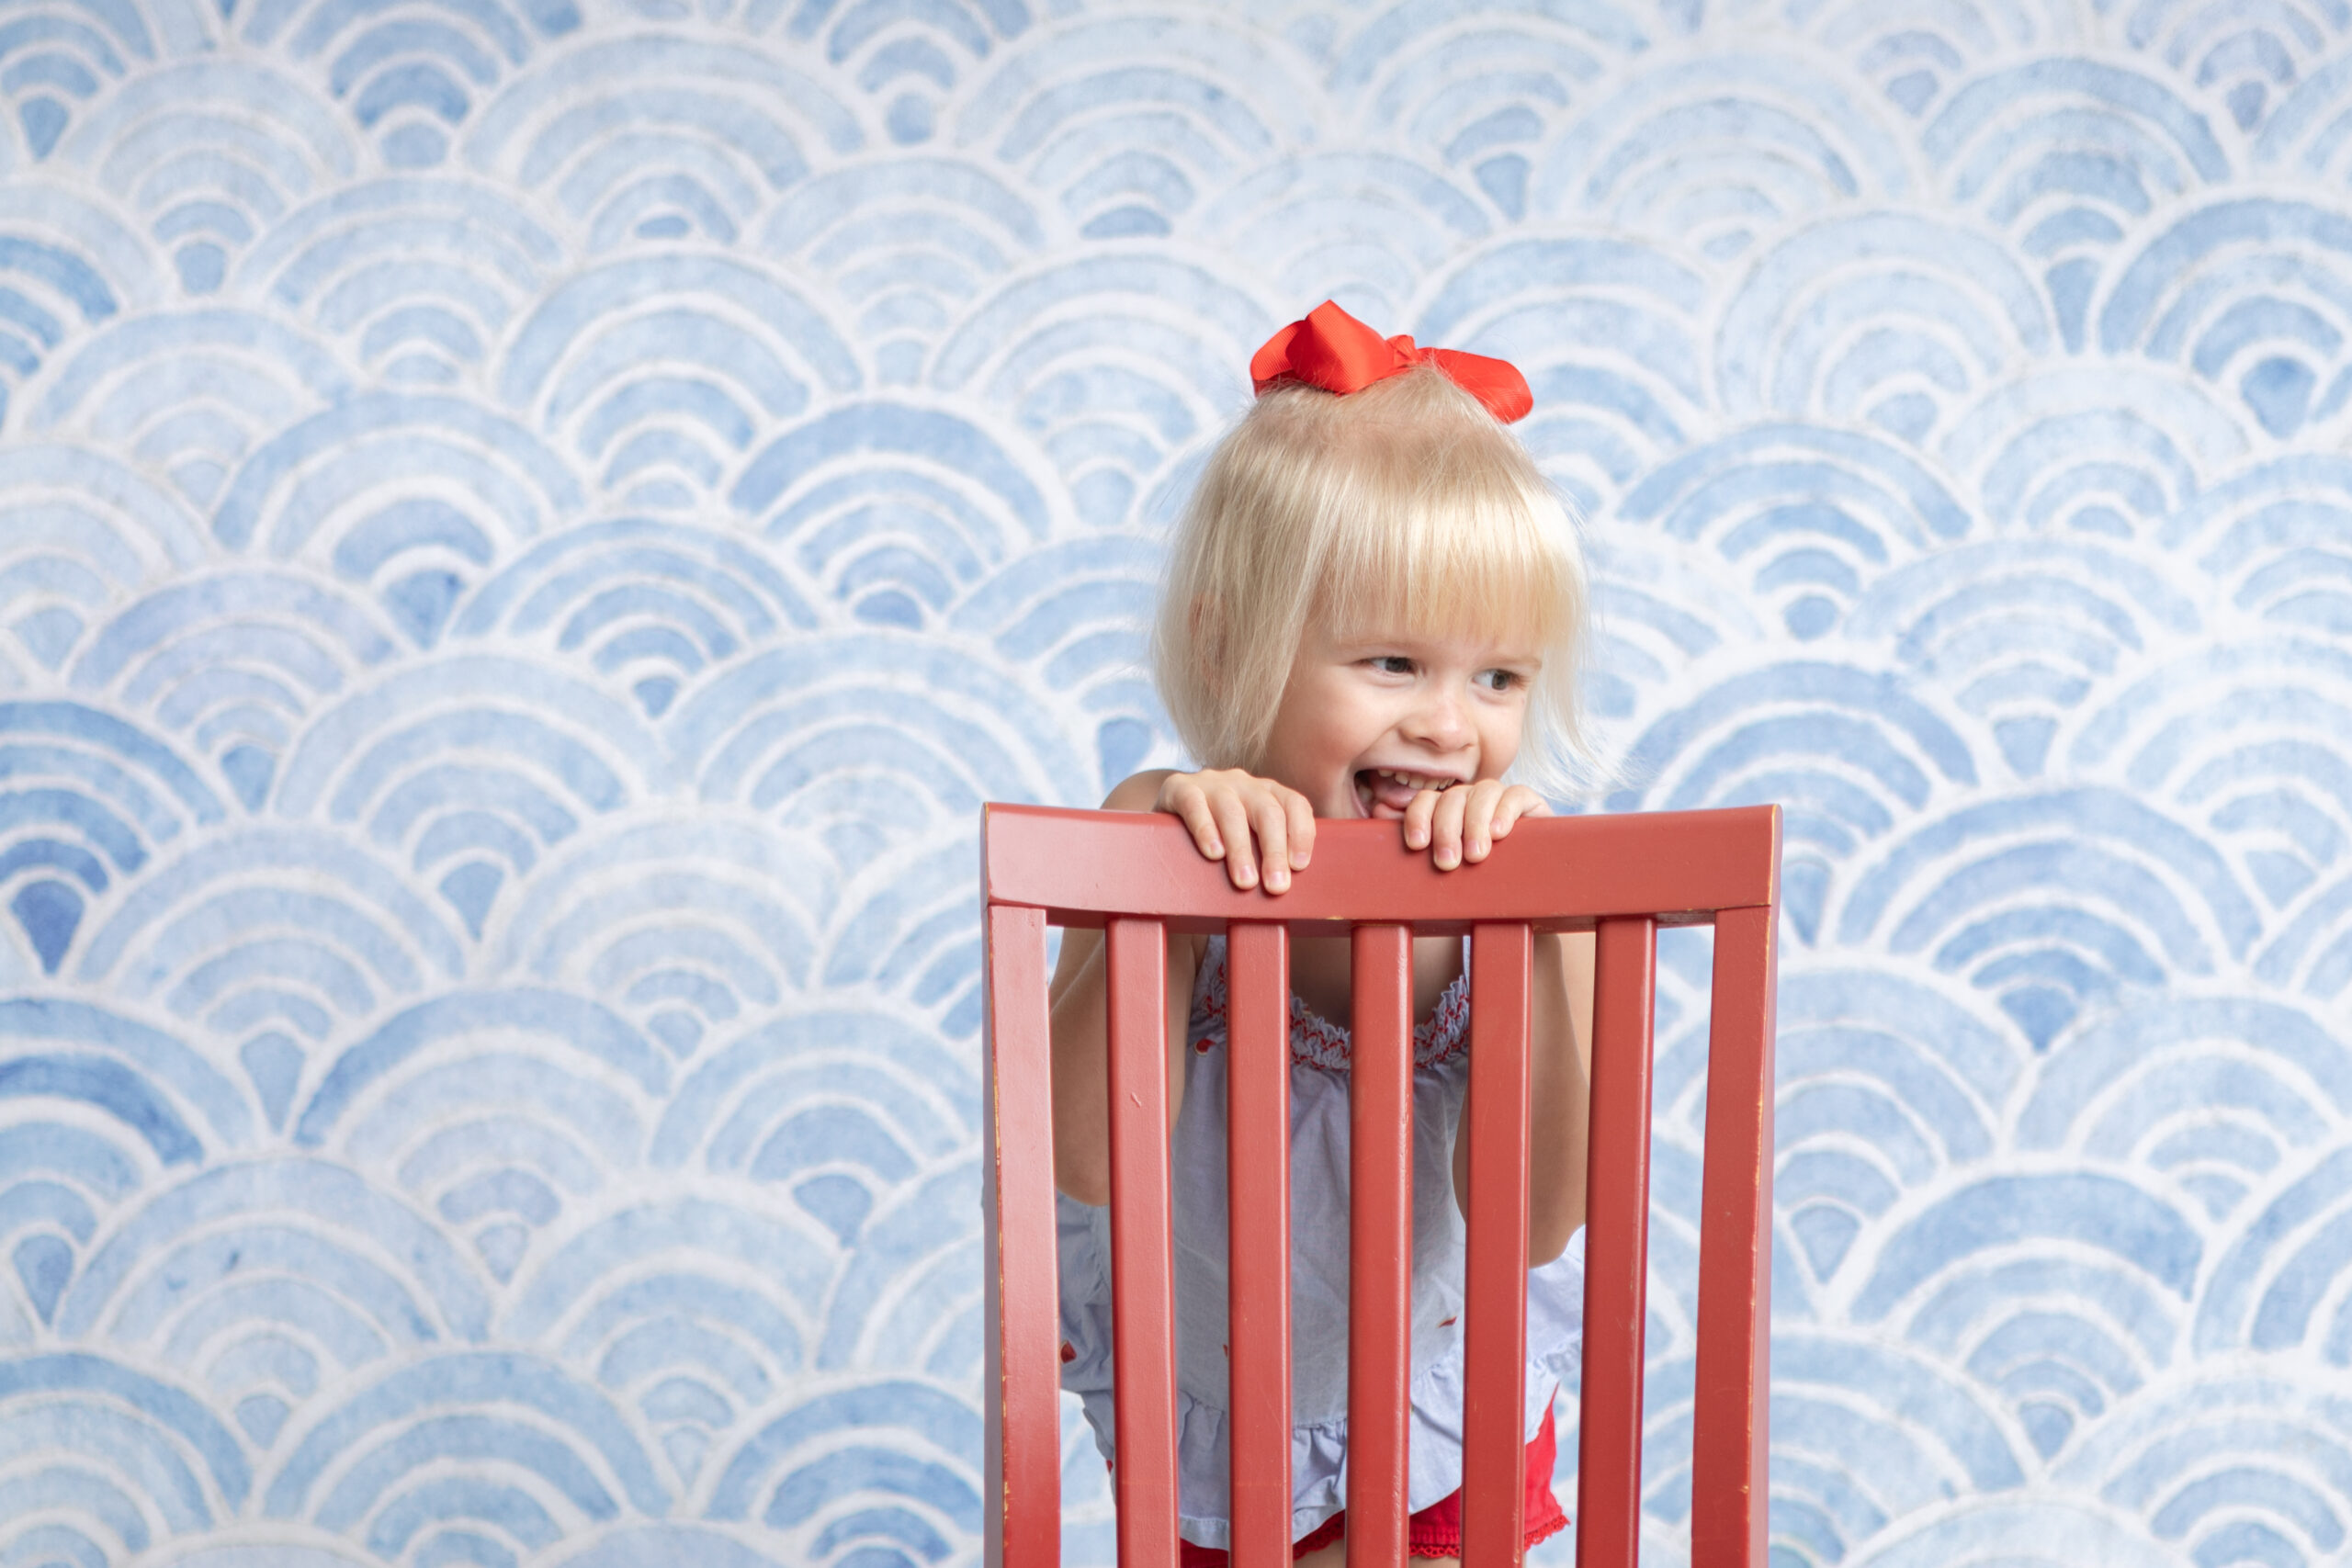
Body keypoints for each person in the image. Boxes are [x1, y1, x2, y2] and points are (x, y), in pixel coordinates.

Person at [1047, 299, 1598, 1565]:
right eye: (1393, 663)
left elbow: (1538, 1224)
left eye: (1500, 677)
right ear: (1231, 642)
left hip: (1450, 1393)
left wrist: (1536, 935)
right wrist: (1170, 893)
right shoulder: (1153, 835)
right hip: (1222, 1411)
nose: (1454, 728)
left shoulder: (1538, 881)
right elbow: (1076, 1161)